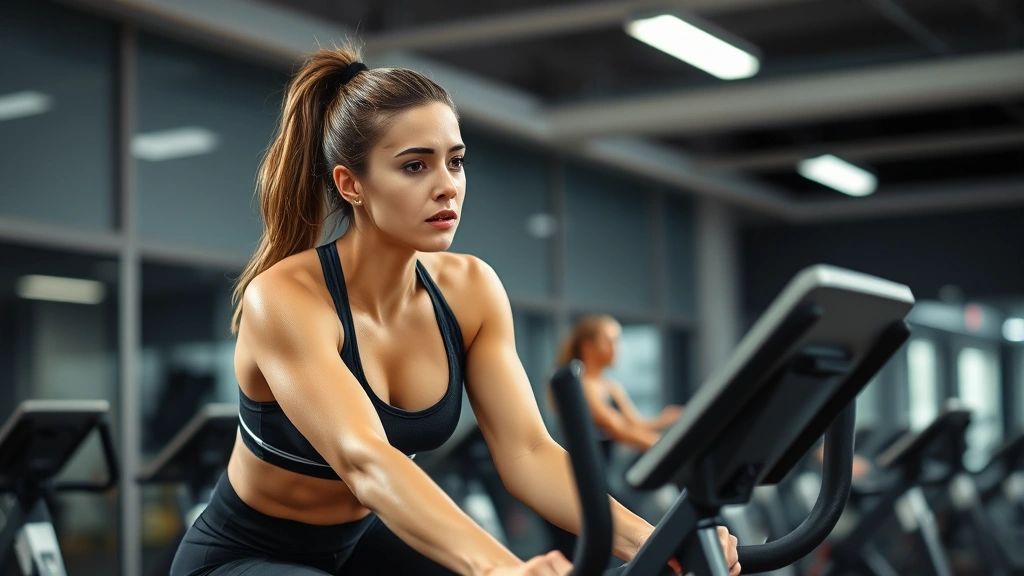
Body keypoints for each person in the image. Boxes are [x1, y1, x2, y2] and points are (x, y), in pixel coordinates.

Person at [169, 44, 741, 576]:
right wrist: (499, 568)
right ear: (351, 185)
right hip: (244, 554)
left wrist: (658, 541)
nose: (447, 187)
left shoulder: (470, 289)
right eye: (415, 166)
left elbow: (527, 452)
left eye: (455, 162)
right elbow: (366, 461)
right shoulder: (285, 299)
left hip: (361, 541)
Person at [555, 315, 683, 453]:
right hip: (583, 465)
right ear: (587, 347)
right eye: (610, 341)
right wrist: (665, 447)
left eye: (617, 341)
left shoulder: (612, 387)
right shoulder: (582, 386)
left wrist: (664, 419)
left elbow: (634, 424)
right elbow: (617, 429)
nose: (617, 348)